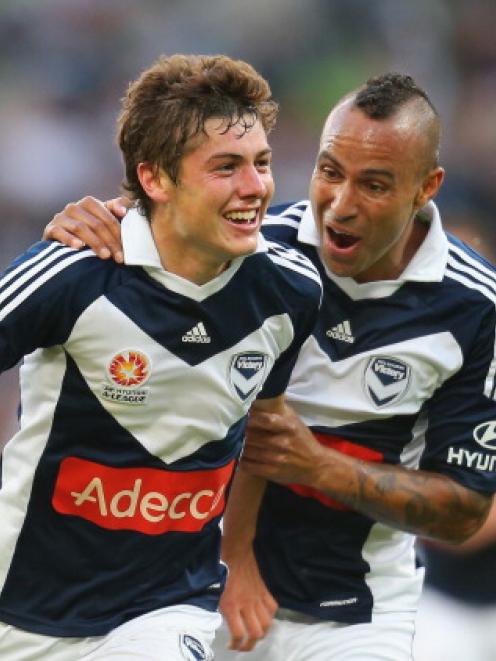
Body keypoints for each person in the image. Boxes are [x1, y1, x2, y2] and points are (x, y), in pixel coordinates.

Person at [44, 73, 496, 661]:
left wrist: (316, 466)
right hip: (196, 586)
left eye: (376, 185)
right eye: (329, 172)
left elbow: (463, 513)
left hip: (354, 608)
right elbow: (152, 233)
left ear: (425, 188)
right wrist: (92, 230)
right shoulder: (252, 251)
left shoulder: (474, 309)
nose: (342, 204)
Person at [0, 54, 323, 661]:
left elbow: (265, 431)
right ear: (155, 179)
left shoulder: (290, 291)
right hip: (22, 611)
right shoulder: (75, 271)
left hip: (170, 606)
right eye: (225, 168)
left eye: (261, 163)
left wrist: (241, 555)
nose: (255, 188)